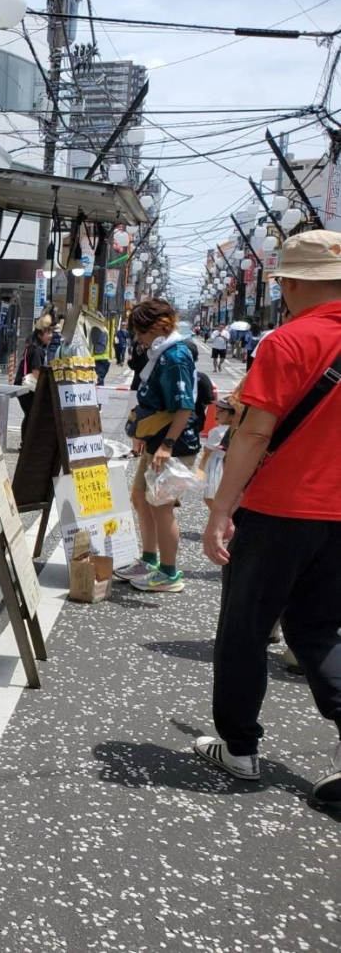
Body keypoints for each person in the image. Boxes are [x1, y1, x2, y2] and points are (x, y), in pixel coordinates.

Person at [196, 230, 341, 813]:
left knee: (246, 628)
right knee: (318, 632)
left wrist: (221, 509)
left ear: (294, 282)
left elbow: (255, 432)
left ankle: (239, 747)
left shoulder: (288, 341)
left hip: (280, 509)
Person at [113, 298, 202, 593]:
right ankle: (149, 560)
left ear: (158, 327)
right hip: (157, 441)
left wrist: (166, 444)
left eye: (142, 332)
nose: (139, 339)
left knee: (162, 507)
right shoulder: (160, 352)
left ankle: (169, 573)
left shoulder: (174, 356)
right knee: (140, 497)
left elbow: (185, 407)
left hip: (173, 445)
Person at [14, 315, 54, 445]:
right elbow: (36, 372)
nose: (51, 335)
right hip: (26, 387)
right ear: (40, 334)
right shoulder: (37, 349)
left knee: (30, 414)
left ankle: (27, 442)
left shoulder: (33, 345)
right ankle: (26, 442)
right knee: (32, 414)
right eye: (48, 332)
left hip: (22, 386)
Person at [196, 398, 236, 511]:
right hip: (229, 466)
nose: (216, 413)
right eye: (217, 410)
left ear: (233, 416)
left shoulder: (217, 432)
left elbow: (206, 454)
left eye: (222, 411)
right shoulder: (236, 430)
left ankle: (219, 521)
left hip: (216, 467)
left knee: (210, 497)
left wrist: (199, 472)